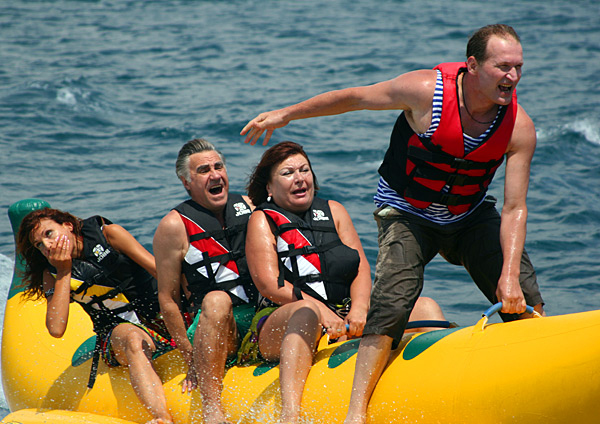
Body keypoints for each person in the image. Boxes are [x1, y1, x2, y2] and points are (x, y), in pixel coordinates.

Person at [241, 24, 546, 423]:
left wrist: (507, 276)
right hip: (407, 213)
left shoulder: (518, 126)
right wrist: (287, 114)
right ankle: (356, 412)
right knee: (392, 303)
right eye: (502, 66)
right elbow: (355, 98)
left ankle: (540, 381)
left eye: (518, 67)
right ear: (472, 66)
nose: (513, 77)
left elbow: (514, 208)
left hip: (469, 215)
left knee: (523, 294)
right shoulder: (426, 92)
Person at [241, 141, 446, 424]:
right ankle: (290, 415)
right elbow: (269, 286)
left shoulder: (334, 210)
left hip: (344, 314)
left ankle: (436, 391)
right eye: (288, 173)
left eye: (305, 170)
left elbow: (360, 268)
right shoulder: (261, 220)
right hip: (278, 321)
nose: (300, 178)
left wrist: (360, 309)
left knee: (424, 307)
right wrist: (320, 311)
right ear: (269, 187)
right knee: (306, 312)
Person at [17, 208, 174, 424]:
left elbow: (159, 270)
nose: (48, 246)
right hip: (117, 334)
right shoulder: (52, 274)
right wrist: (64, 272)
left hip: (157, 319)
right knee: (133, 339)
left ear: (68, 226)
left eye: (49, 234)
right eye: (39, 245)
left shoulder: (110, 234)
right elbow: (56, 328)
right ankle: (161, 417)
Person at [153, 138, 257, 424]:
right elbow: (167, 299)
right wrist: (190, 357)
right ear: (187, 183)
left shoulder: (249, 206)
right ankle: (212, 408)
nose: (215, 175)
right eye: (203, 170)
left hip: (259, 317)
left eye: (218, 166)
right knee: (217, 298)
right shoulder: (174, 226)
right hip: (215, 323)